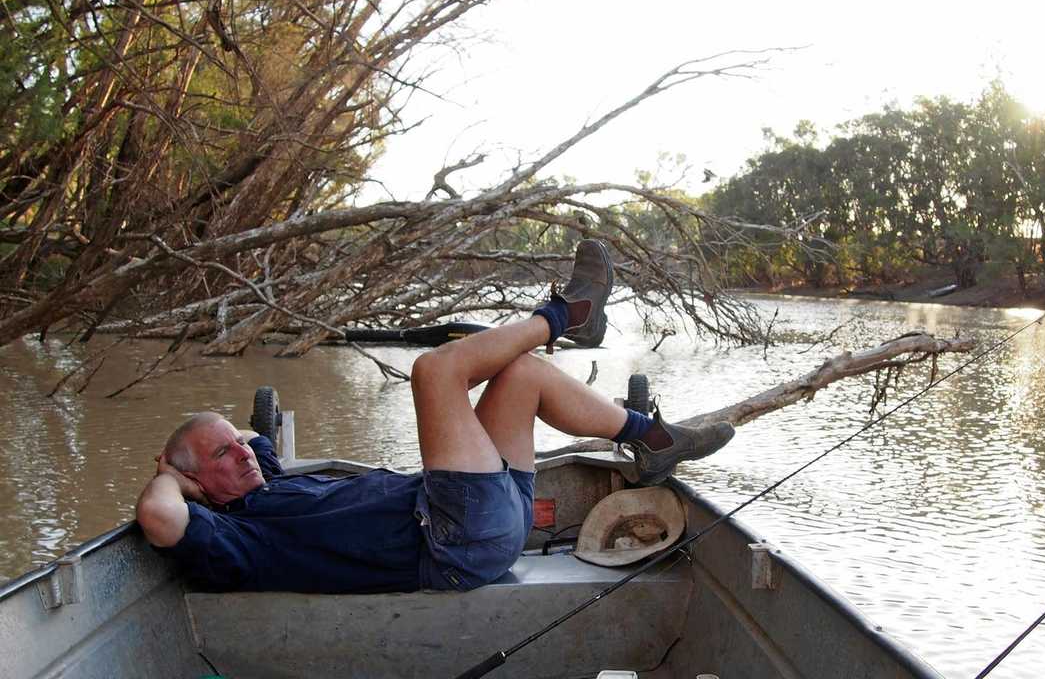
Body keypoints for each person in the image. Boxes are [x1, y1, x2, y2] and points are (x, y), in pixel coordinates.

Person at [134, 240, 735, 593]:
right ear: (194, 485)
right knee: (434, 372)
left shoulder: (265, 481)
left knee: (521, 375)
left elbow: (242, 436)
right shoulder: (236, 537)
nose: (242, 452)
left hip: (486, 514)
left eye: (237, 447)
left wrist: (222, 446)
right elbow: (160, 516)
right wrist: (169, 470)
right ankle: (565, 317)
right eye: (222, 456)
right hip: (452, 542)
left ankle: (648, 438)